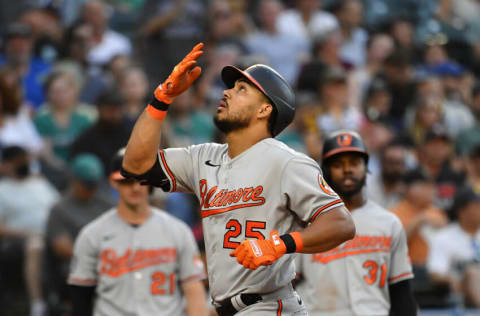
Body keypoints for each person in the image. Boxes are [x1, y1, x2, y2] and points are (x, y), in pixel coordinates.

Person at [122, 43, 355, 315]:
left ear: (264, 110)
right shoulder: (203, 157)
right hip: (227, 307)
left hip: (269, 304)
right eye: (232, 87)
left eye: (241, 89)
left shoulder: (287, 161)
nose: (227, 92)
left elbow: (341, 223)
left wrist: (280, 244)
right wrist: (161, 99)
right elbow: (135, 165)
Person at [68, 148, 208, 316]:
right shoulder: (92, 235)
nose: (135, 187)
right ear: (113, 182)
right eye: (126, 181)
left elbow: (193, 290)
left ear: (150, 181)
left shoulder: (178, 231)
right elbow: (80, 298)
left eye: (141, 180)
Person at [295, 130, 416, 316]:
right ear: (325, 171)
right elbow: (289, 285)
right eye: (338, 164)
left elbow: (401, 291)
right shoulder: (306, 222)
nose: (347, 170)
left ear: (366, 167)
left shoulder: (388, 222)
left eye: (354, 163)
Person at [44, 153, 114, 315]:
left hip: (111, 258)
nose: (91, 189)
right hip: (76, 262)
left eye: (94, 184)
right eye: (87, 184)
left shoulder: (106, 203)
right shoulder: (60, 208)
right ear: (73, 180)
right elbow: (62, 247)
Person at [0, 145, 59, 316]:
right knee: (35, 244)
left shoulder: (40, 183)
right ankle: (37, 303)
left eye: (25, 160)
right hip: (17, 240)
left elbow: (58, 207)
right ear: (7, 164)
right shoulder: (3, 189)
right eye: (18, 162)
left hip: (50, 233)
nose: (23, 164)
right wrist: (27, 233)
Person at [427, 186, 480, 309]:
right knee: (472, 273)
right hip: (461, 292)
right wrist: (452, 280)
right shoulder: (444, 237)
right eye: (476, 206)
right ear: (461, 211)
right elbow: (435, 273)